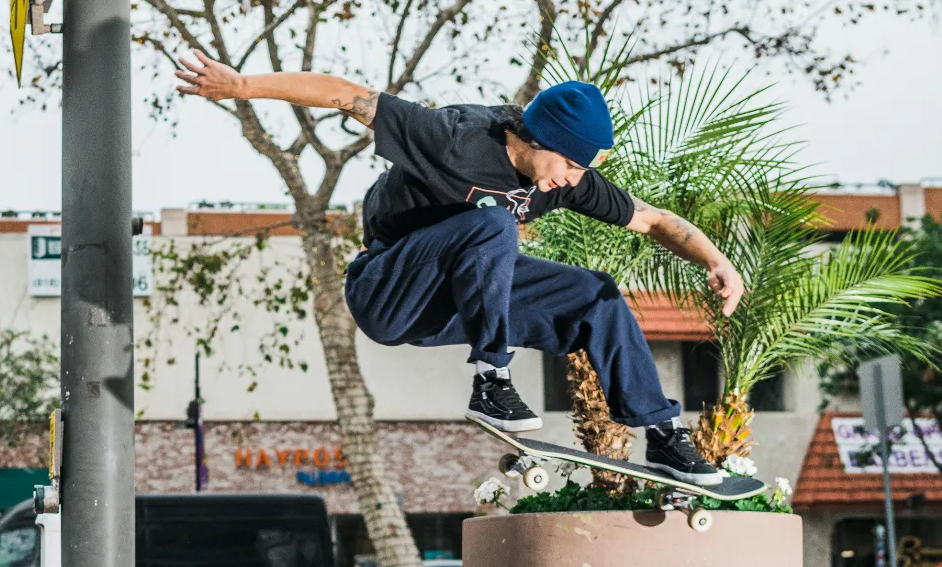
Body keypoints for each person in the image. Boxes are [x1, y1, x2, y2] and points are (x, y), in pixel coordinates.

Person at [175, 56, 745, 486]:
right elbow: (345, 94)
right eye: (570, 165)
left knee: (594, 293)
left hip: (459, 300)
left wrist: (716, 260)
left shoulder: (566, 178)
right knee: (495, 224)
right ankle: (491, 380)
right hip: (388, 290)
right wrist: (243, 87)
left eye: (582, 171)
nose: (571, 180)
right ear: (539, 139)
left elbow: (652, 220)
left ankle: (662, 435)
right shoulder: (452, 137)